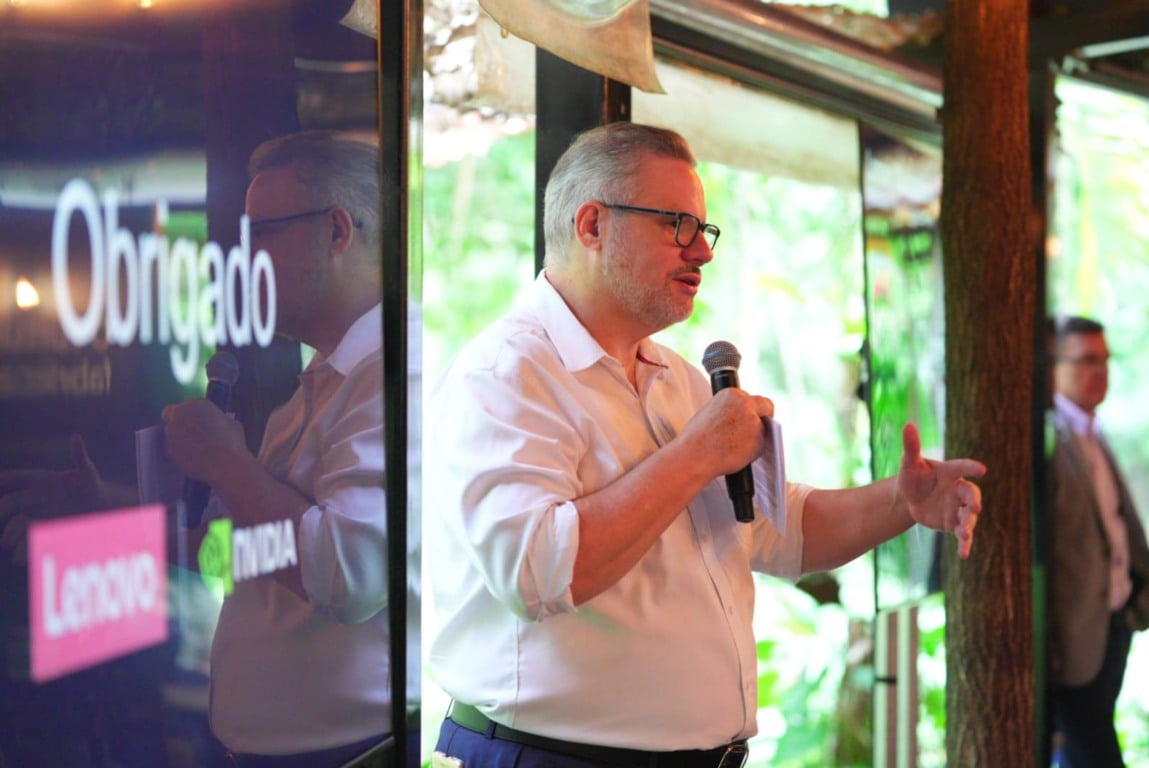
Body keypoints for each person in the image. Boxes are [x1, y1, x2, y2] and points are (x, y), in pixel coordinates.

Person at [424, 121, 986, 767]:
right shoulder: (506, 373)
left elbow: (772, 531)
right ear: (591, 225)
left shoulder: (679, 378)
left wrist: (900, 502)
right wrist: (695, 454)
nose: (702, 253)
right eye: (676, 225)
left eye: (704, 229)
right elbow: (536, 573)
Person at [1, 130, 393, 768]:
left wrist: (225, 463)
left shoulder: (397, 378)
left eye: (262, 232)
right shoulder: (322, 383)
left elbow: (347, 575)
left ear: (338, 231)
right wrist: (109, 513)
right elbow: (240, 556)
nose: (243, 256)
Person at [1048, 315, 1149, 768]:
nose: (1100, 371)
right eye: (1087, 360)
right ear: (1054, 366)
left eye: (1105, 360)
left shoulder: (1094, 430)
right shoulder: (1051, 437)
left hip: (1114, 623)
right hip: (1071, 643)